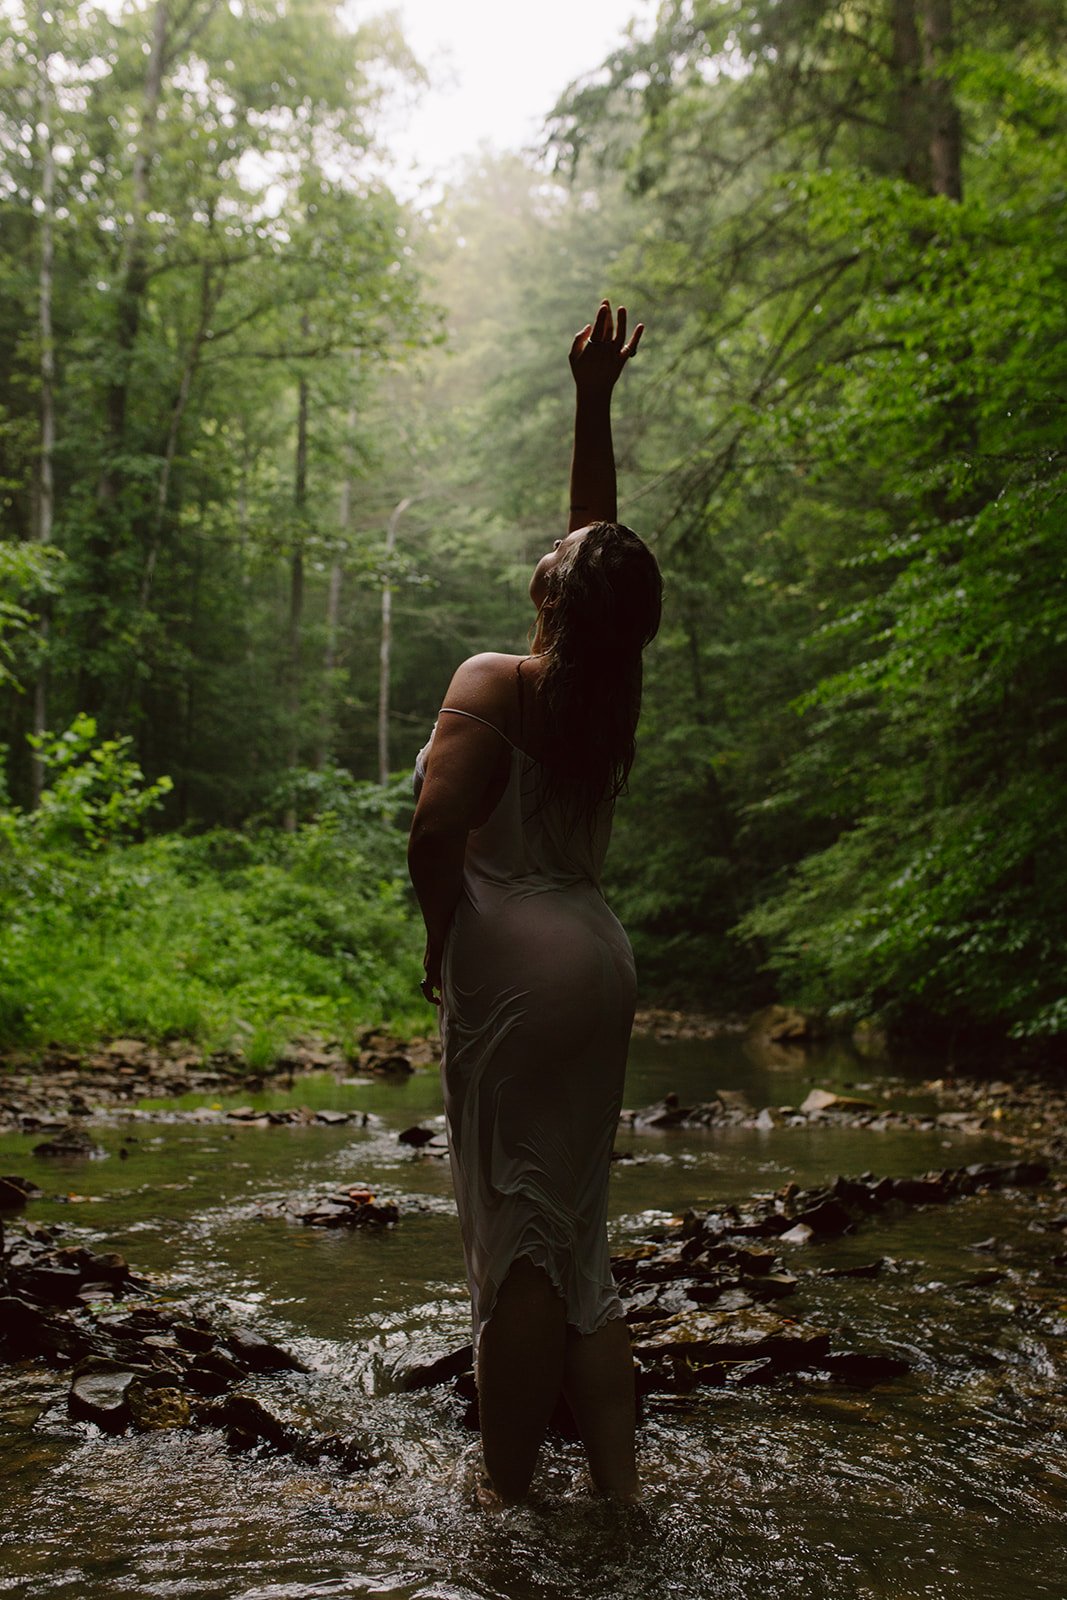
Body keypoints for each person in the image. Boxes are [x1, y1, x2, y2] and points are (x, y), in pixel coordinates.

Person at [408, 300, 662, 1507]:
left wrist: (438, 931)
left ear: (553, 604)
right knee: (577, 1242)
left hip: (514, 967)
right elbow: (600, 551)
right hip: (600, 963)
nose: (556, 551)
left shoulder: (493, 681)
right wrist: (592, 400)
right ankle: (617, 1493)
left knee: (514, 1240)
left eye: (556, 567)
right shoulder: (603, 691)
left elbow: (433, 830)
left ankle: (504, 1496)